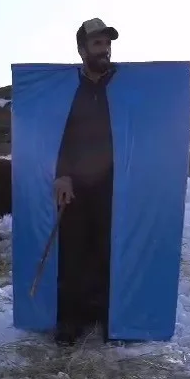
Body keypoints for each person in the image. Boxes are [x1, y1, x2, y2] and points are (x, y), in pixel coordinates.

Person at [53, 18, 118, 346]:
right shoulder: (71, 91)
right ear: (82, 50)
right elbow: (58, 134)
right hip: (76, 186)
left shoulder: (121, 88)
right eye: (97, 44)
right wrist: (62, 173)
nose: (104, 49)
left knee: (106, 248)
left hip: (112, 184)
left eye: (107, 44)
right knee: (73, 251)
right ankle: (70, 320)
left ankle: (106, 314)